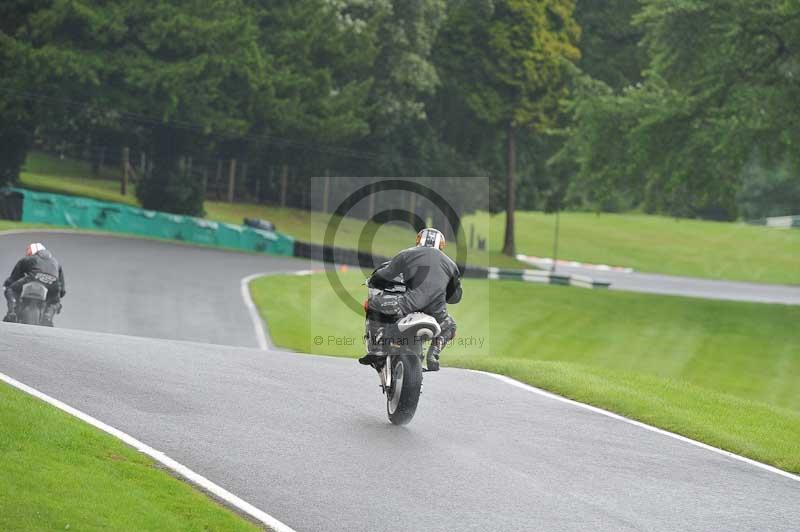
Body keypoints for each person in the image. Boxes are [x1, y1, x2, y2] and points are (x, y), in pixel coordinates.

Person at [359, 227, 461, 372]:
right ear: (441, 245)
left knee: (373, 304)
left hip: (408, 304)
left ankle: (377, 350)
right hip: (437, 313)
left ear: (419, 240)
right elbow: (455, 297)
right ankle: (434, 354)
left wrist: (374, 280)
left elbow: (385, 274)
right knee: (451, 327)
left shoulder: (407, 254)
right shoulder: (451, 265)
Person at [3, 243, 66, 326]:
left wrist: (7, 285)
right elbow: (62, 290)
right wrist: (57, 296)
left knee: (10, 289)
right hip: (52, 282)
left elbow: (14, 277)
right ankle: (48, 316)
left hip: (34, 277)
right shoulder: (56, 262)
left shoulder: (28, 259)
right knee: (55, 301)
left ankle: (12, 312)